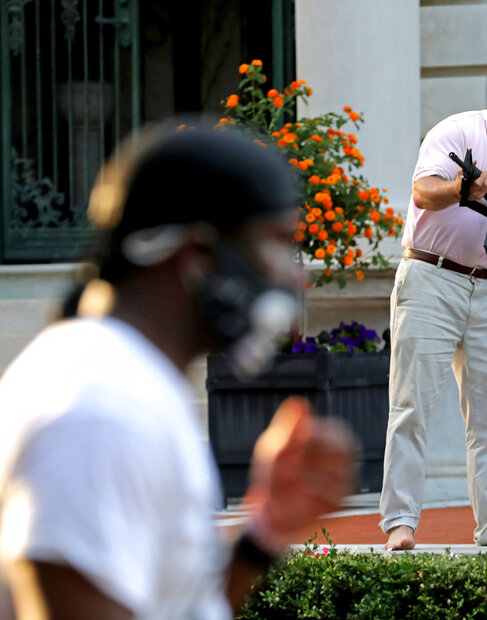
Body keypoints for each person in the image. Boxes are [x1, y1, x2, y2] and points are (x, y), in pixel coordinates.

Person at [0, 125, 356, 619]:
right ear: (196, 258)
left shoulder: (123, 380)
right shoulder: (101, 410)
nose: (296, 274)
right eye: (274, 243)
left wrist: (265, 529)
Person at [380, 51, 487, 551]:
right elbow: (422, 192)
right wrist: (463, 187)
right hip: (432, 277)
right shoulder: (458, 131)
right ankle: (400, 522)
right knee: (412, 404)